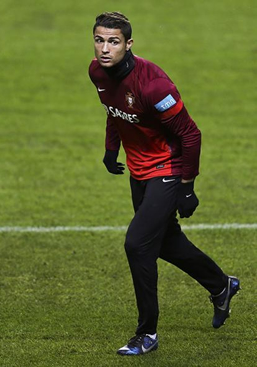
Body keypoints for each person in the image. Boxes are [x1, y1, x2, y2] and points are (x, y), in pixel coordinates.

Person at [88, 11, 241, 356]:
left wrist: (187, 187)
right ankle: (221, 285)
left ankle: (148, 334)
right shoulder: (97, 72)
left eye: (113, 41)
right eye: (99, 40)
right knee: (166, 242)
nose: (105, 48)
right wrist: (112, 149)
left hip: (168, 169)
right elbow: (114, 110)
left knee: (137, 244)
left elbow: (191, 134)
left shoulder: (154, 85)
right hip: (139, 170)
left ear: (129, 45)